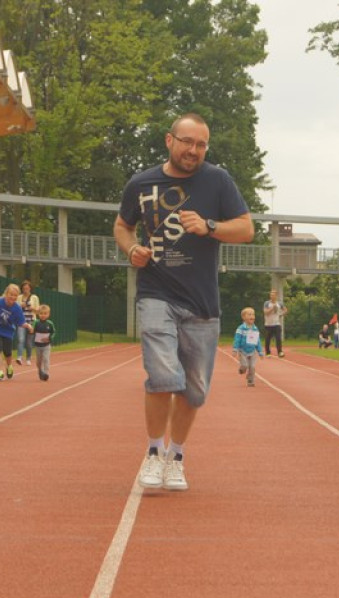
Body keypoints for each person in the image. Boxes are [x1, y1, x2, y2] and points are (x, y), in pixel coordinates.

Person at [113, 111, 254, 492]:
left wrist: (209, 227)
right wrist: (132, 250)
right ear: (169, 140)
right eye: (187, 142)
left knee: (194, 391)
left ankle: (176, 456)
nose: (194, 150)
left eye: (201, 144)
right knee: (163, 377)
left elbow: (246, 228)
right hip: (156, 291)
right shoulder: (141, 183)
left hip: (202, 303)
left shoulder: (217, 180)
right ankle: (154, 452)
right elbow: (123, 225)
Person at [232, 307, 264, 387]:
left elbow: (258, 341)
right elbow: (237, 339)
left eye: (253, 314)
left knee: (252, 367)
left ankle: (250, 380)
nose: (252, 316)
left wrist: (260, 351)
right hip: (243, 351)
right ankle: (242, 369)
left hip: (252, 351)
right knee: (245, 365)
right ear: (243, 317)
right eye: (249, 314)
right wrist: (235, 349)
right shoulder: (241, 328)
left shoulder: (255, 329)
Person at [15, 279, 39, 366]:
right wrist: (20, 306)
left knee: (29, 342)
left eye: (27, 288)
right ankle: (19, 357)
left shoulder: (34, 297)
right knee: (20, 339)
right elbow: (15, 309)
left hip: (31, 321)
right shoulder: (19, 298)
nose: (26, 290)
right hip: (21, 321)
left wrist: (32, 308)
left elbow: (38, 310)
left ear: (30, 288)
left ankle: (28, 358)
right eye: (24, 288)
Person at [32, 304, 56, 381]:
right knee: (39, 361)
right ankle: (40, 371)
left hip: (46, 345)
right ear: (38, 314)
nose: (43, 315)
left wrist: (49, 338)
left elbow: (54, 332)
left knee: (46, 358)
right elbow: (32, 331)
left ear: (48, 314)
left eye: (45, 314)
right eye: (41, 313)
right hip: (38, 345)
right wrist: (31, 330)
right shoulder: (36, 322)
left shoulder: (50, 323)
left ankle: (46, 373)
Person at [262, 289, 287, 357]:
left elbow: (285, 310)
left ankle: (280, 352)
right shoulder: (267, 303)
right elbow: (265, 312)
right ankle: (268, 352)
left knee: (278, 338)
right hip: (268, 324)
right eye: (271, 295)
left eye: (273, 295)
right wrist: (272, 308)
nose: (271, 296)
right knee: (267, 339)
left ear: (276, 296)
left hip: (276, 324)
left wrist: (281, 314)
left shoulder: (280, 303)